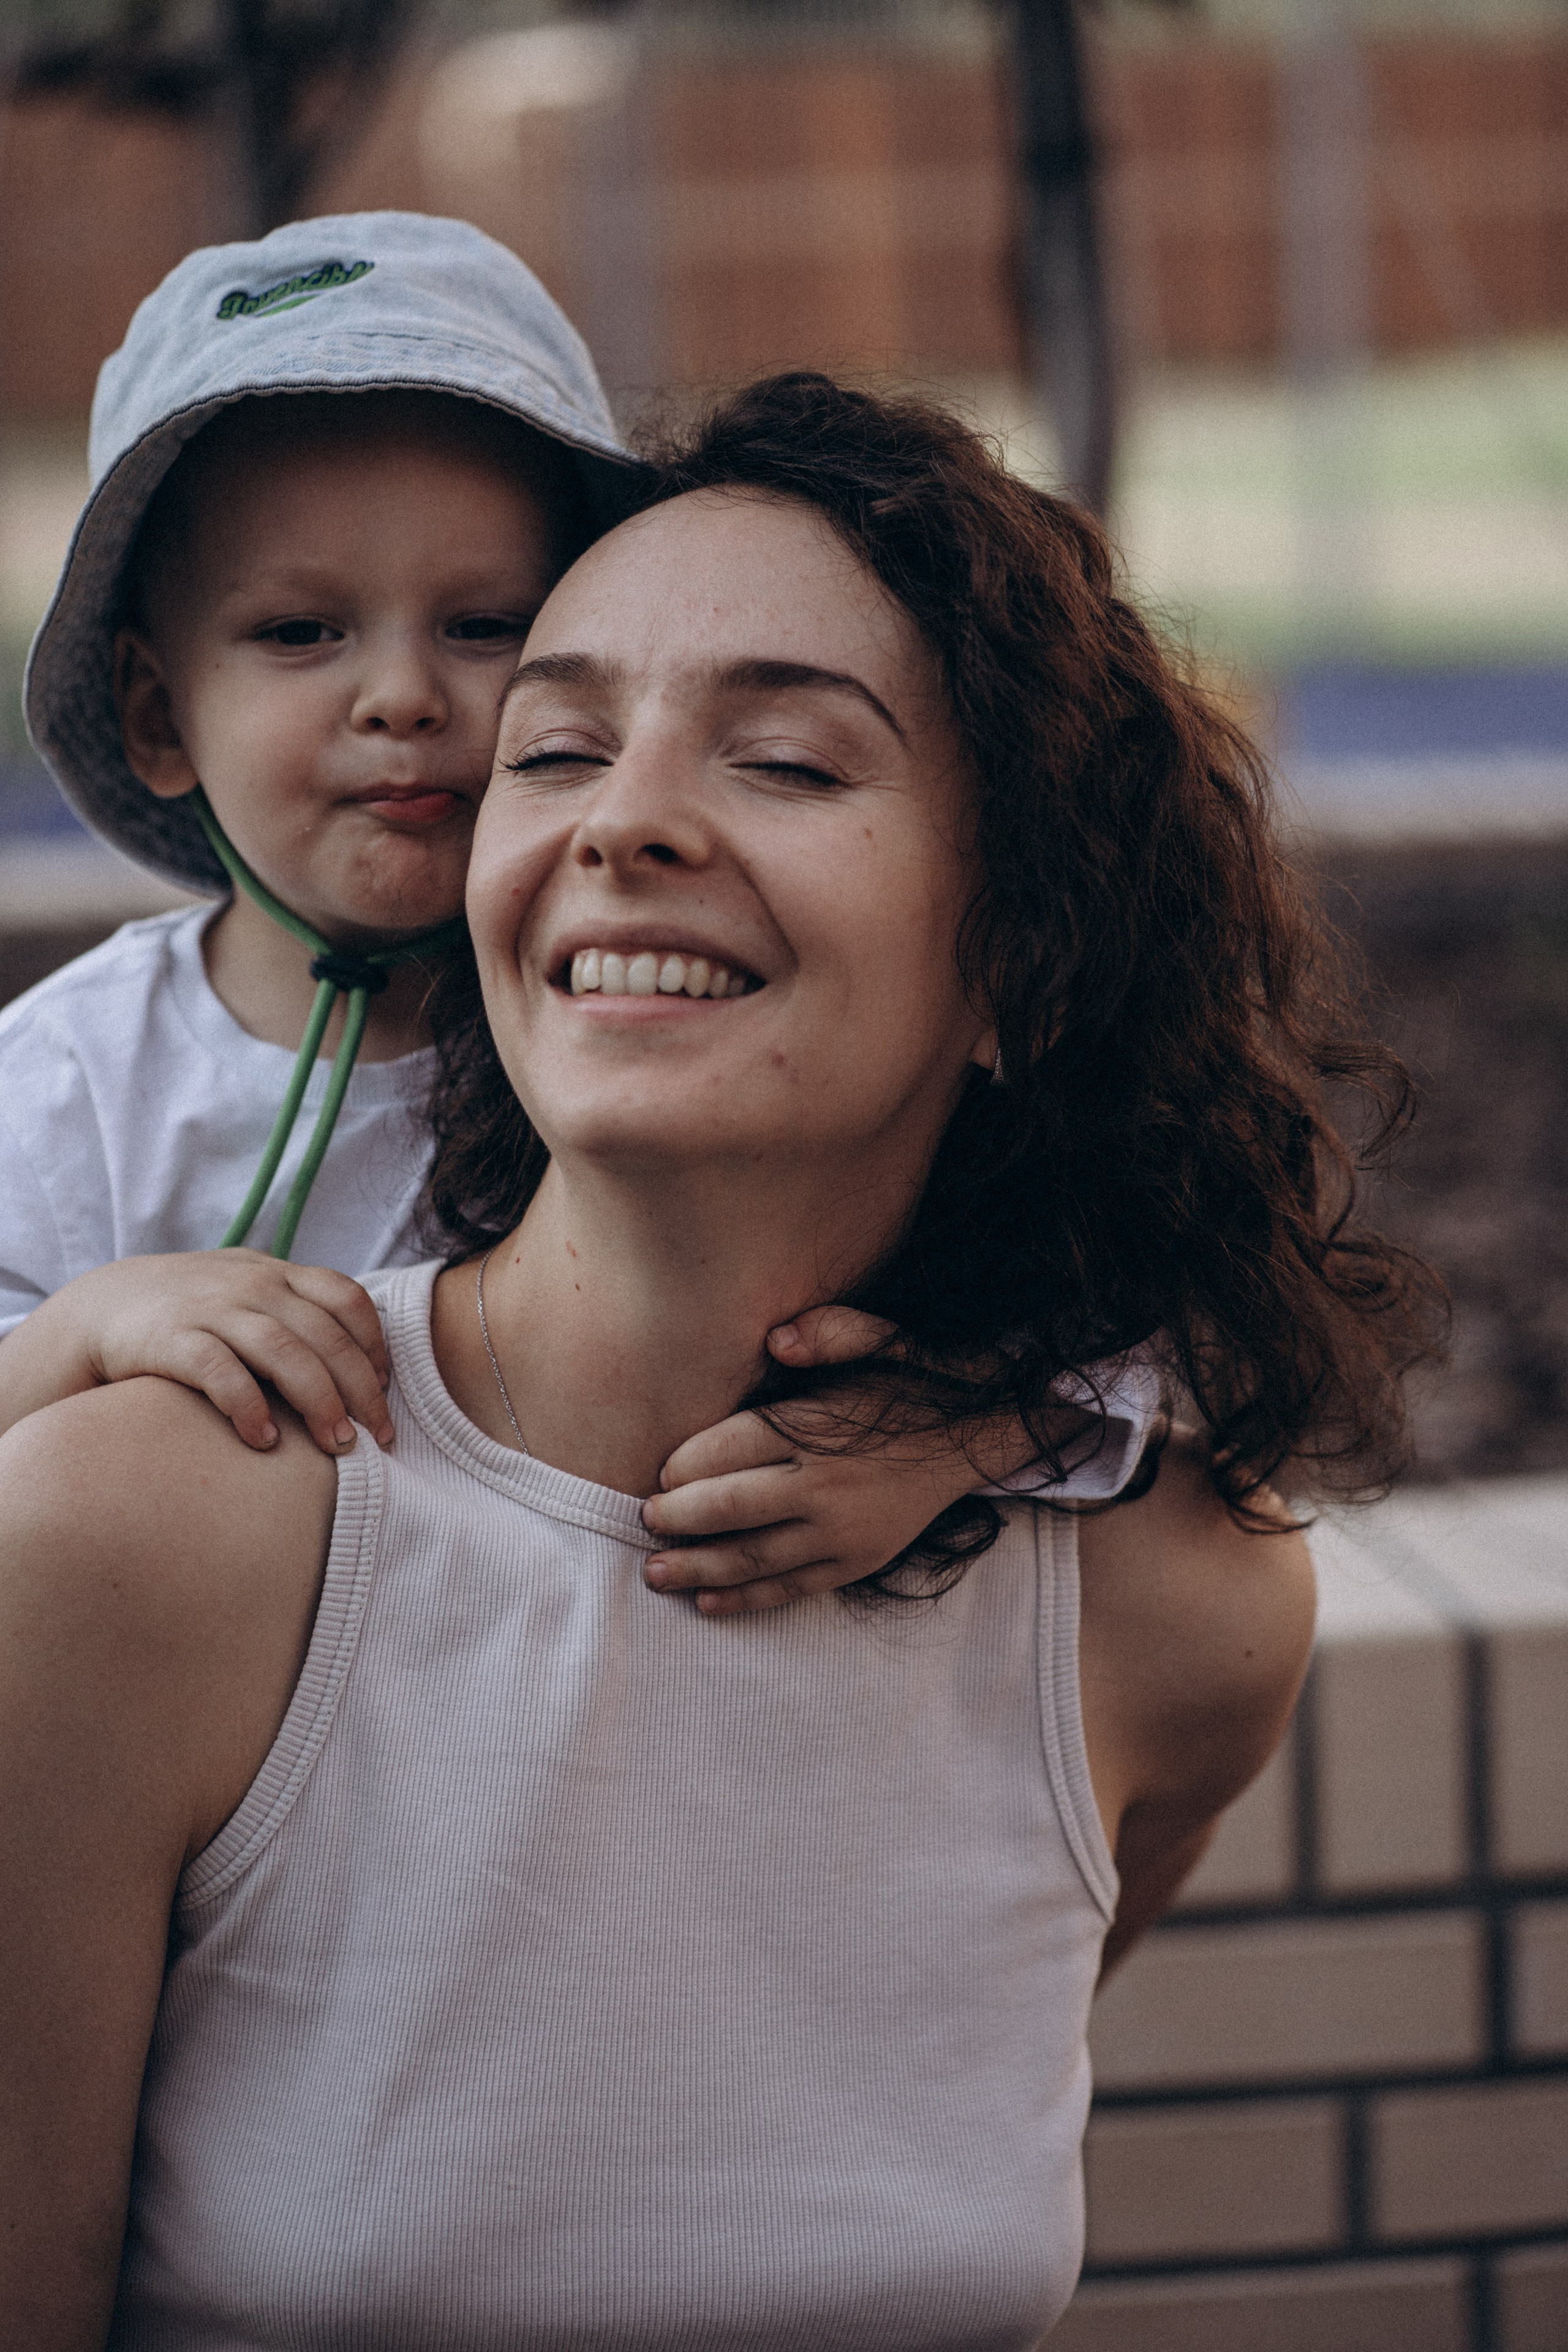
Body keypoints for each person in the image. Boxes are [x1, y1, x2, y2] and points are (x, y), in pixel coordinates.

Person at [0, 372, 1439, 2349]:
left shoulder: (1177, 1606)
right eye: (560, 746)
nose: (625, 824)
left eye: (783, 760)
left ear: (1022, 949)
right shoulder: (129, 1538)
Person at [0, 211, 1156, 1613]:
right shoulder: (68, 1090)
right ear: (152, 710)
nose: (402, 696)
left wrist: (957, 1434)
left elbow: (1154, 1311)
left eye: (485, 625)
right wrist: (82, 1332)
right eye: (300, 631)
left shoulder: (672, 1025)